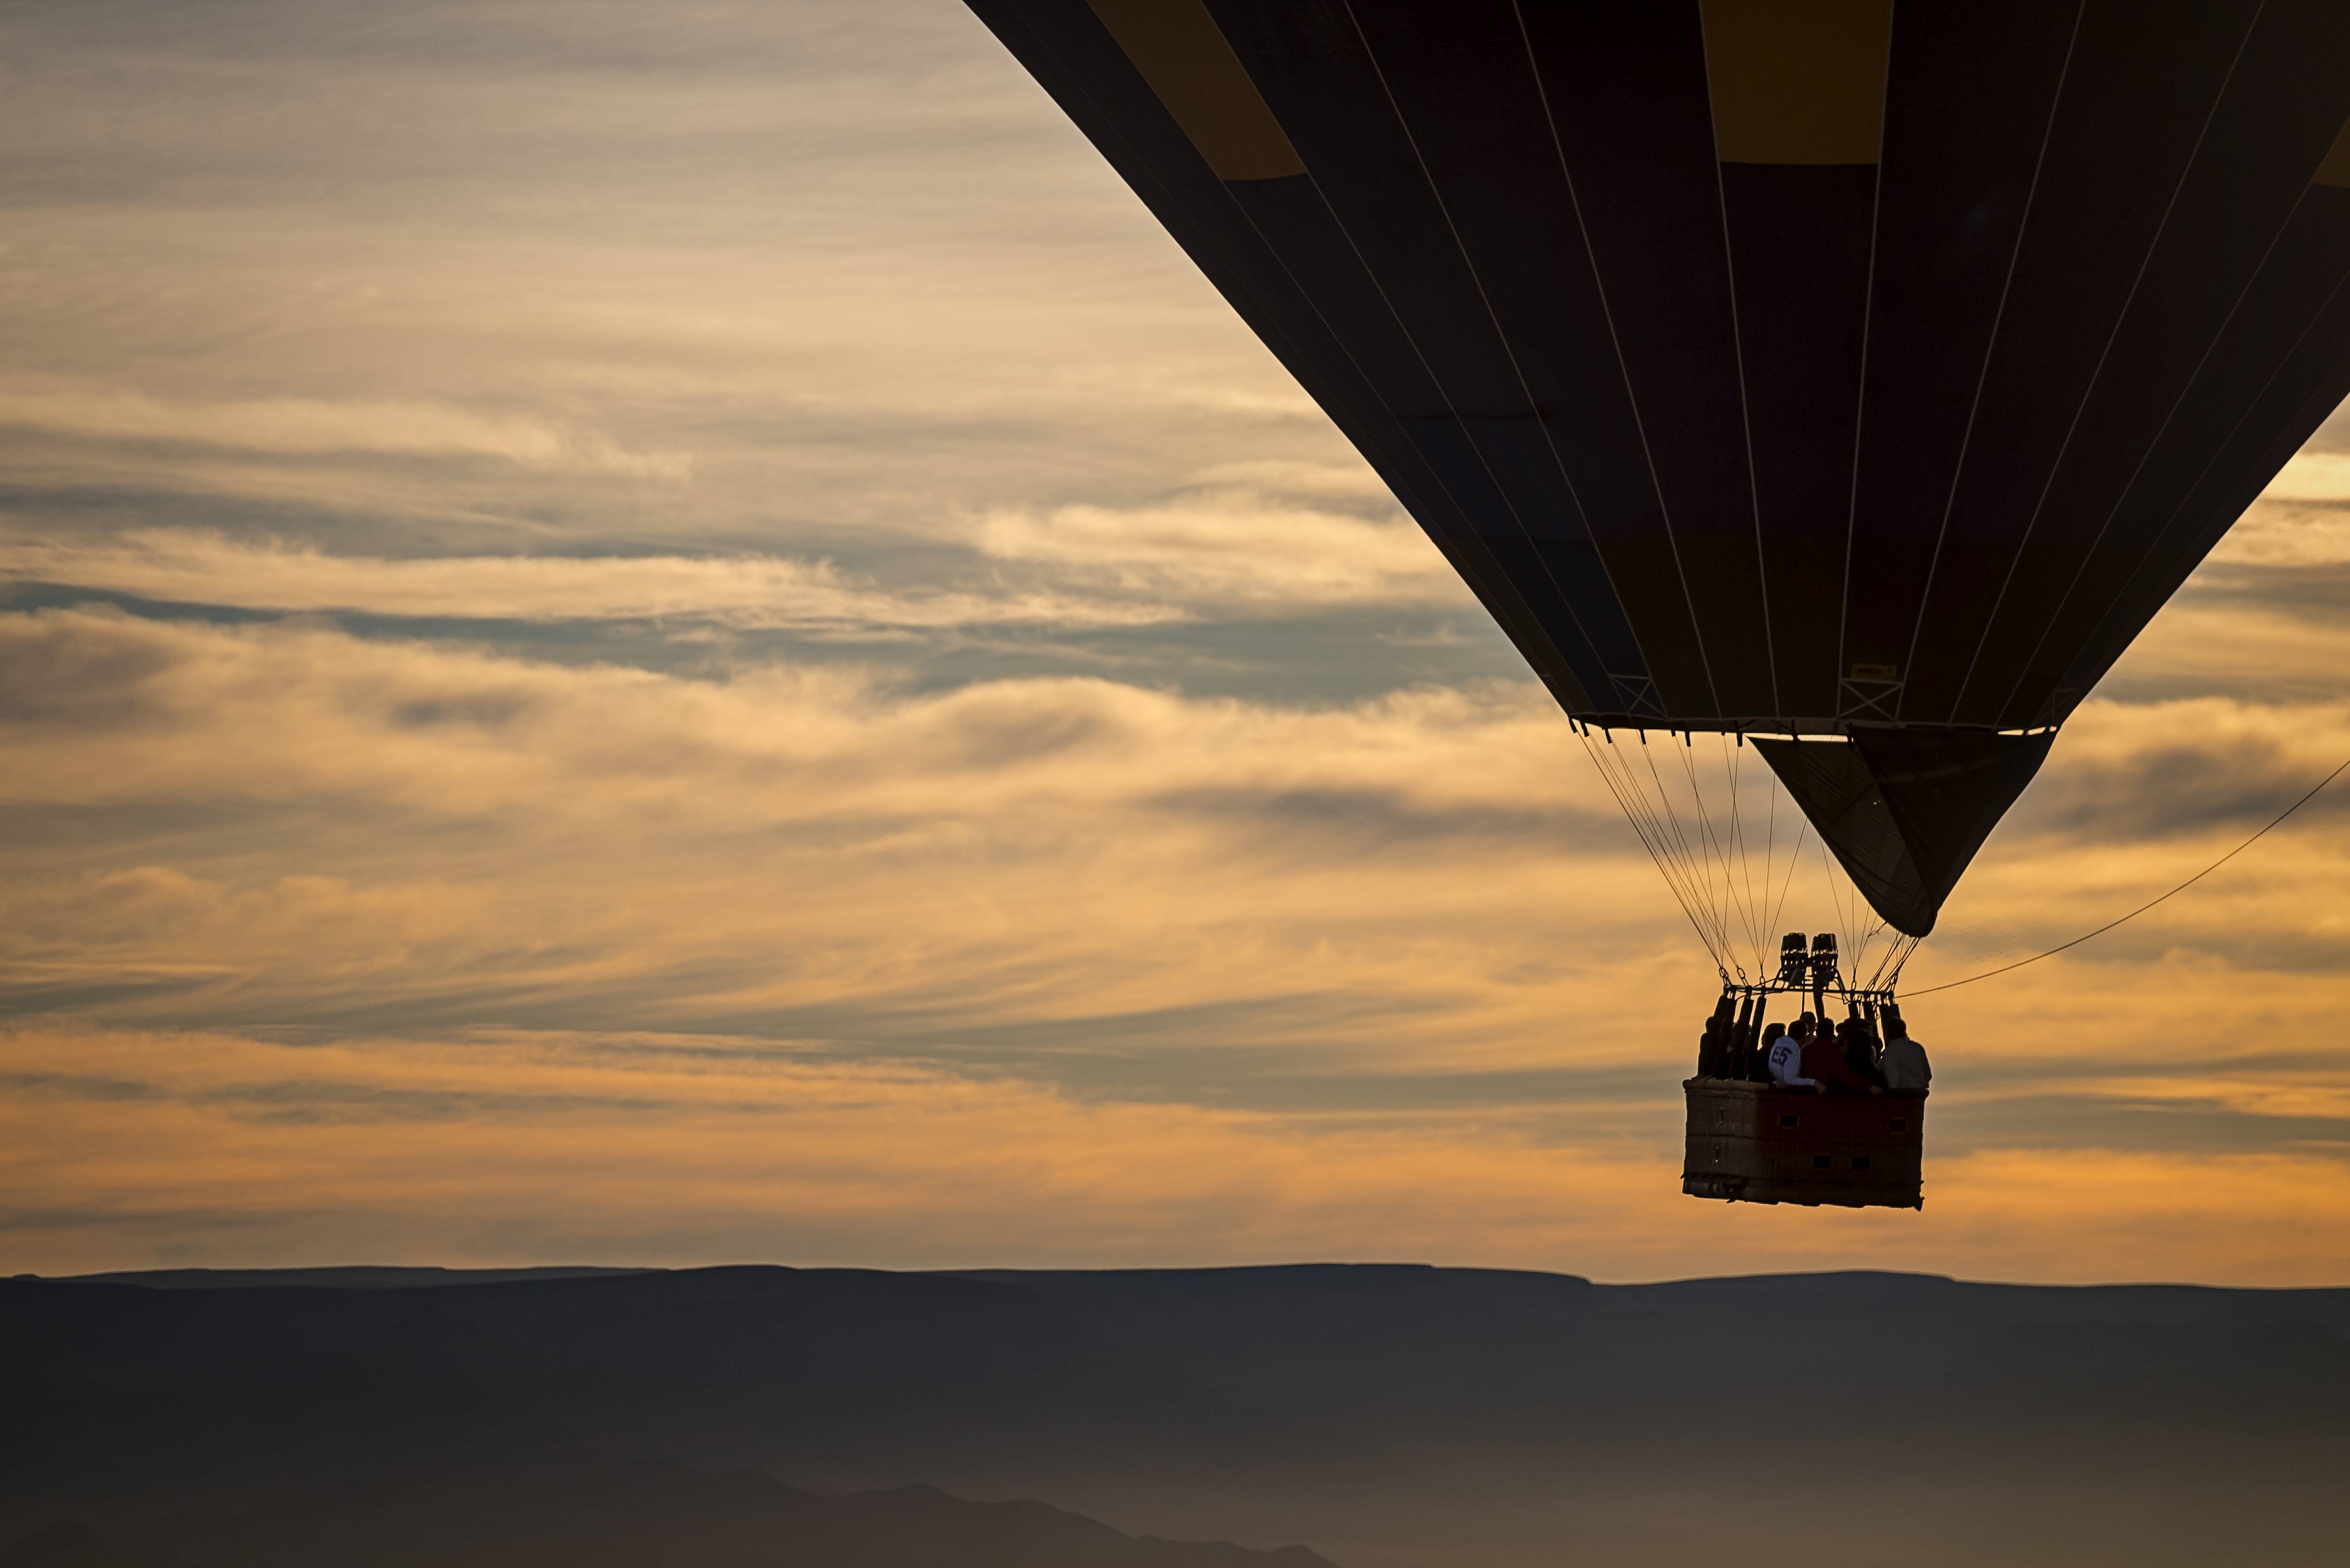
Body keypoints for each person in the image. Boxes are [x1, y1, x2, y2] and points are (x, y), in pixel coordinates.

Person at [1802, 1014, 1880, 1095]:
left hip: (1806, 1094)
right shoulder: (1834, 1052)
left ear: (1817, 1032)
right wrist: (1869, 1086)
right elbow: (1845, 1077)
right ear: (1832, 1034)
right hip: (1827, 1096)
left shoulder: (1806, 1051)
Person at [1882, 1012, 1931, 1093]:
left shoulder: (1890, 1052)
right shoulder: (1918, 1047)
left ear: (1887, 1033)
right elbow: (1928, 1075)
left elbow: (1893, 1083)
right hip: (1920, 1096)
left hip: (1902, 1097)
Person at [1766, 1020, 1813, 1089]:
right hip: (1782, 1091)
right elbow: (1790, 1080)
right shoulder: (1793, 1052)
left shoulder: (1778, 1043)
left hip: (1773, 1084)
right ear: (1804, 1036)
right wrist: (1813, 1082)